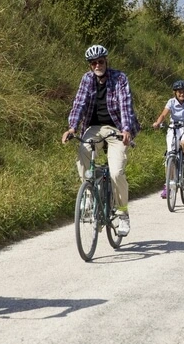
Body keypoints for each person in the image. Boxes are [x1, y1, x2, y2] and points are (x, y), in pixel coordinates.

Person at [61, 45, 141, 237]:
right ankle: (89, 197)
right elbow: (79, 103)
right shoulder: (87, 79)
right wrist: (72, 127)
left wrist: (126, 129)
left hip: (116, 129)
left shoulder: (119, 78)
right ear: (90, 66)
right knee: (83, 152)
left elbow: (125, 104)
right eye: (93, 63)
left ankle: (122, 214)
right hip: (93, 128)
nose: (97, 65)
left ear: (107, 61)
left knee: (116, 173)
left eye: (100, 62)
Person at [152, 80, 184, 199]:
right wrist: (158, 123)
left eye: (183, 91)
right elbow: (164, 114)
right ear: (175, 93)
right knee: (170, 155)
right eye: (179, 92)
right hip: (174, 127)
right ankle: (168, 186)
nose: (182, 93)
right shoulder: (171, 102)